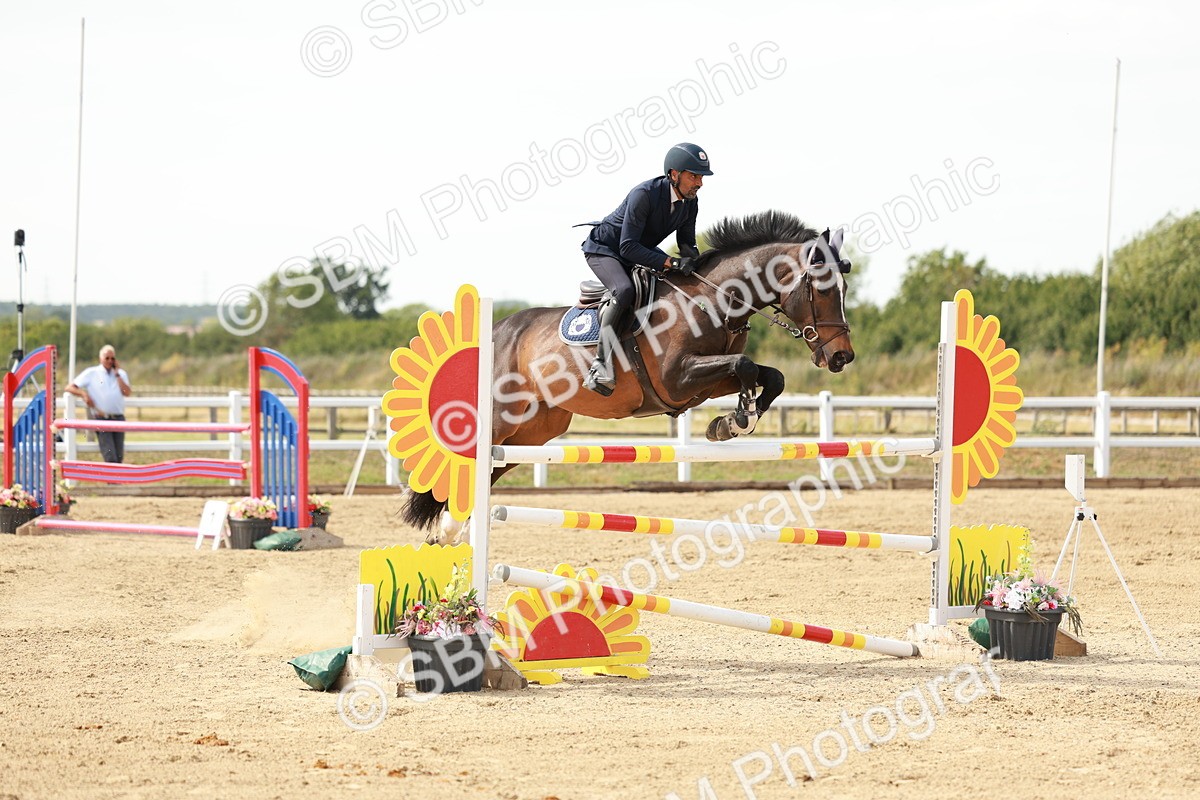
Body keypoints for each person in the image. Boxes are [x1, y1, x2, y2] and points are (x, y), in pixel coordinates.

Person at [579, 142, 712, 394]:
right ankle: (600, 364)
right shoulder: (645, 194)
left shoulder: (690, 203)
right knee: (624, 290)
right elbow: (627, 247)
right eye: (693, 176)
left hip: (636, 250)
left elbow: (686, 243)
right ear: (674, 174)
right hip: (605, 250)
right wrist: (671, 262)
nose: (699, 183)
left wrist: (697, 265)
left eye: (701, 177)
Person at [66, 345, 133, 463]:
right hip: (101, 418)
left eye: (112, 358)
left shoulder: (121, 374)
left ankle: (115, 480)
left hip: (118, 417)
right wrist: (84, 394)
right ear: (100, 358)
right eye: (107, 358)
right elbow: (70, 387)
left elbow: (126, 392)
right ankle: (112, 481)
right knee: (109, 454)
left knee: (119, 456)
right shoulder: (92, 373)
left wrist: (117, 374)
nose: (109, 361)